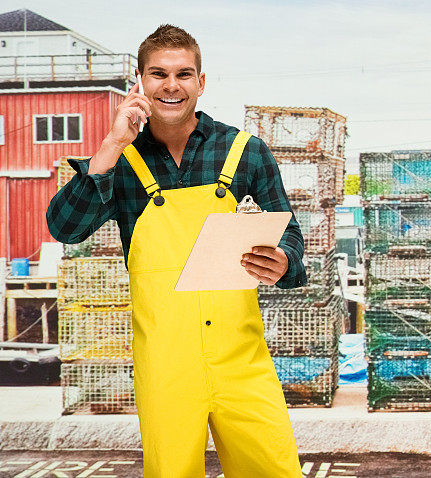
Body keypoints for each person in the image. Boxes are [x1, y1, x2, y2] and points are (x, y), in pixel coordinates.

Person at [47, 24, 306, 478]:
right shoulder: (121, 160)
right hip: (165, 367)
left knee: (274, 470)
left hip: (242, 360)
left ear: (201, 83)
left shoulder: (245, 151)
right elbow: (65, 228)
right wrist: (110, 146)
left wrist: (284, 260)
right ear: (140, 82)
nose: (171, 86)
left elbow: (291, 237)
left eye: (184, 74)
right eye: (158, 74)